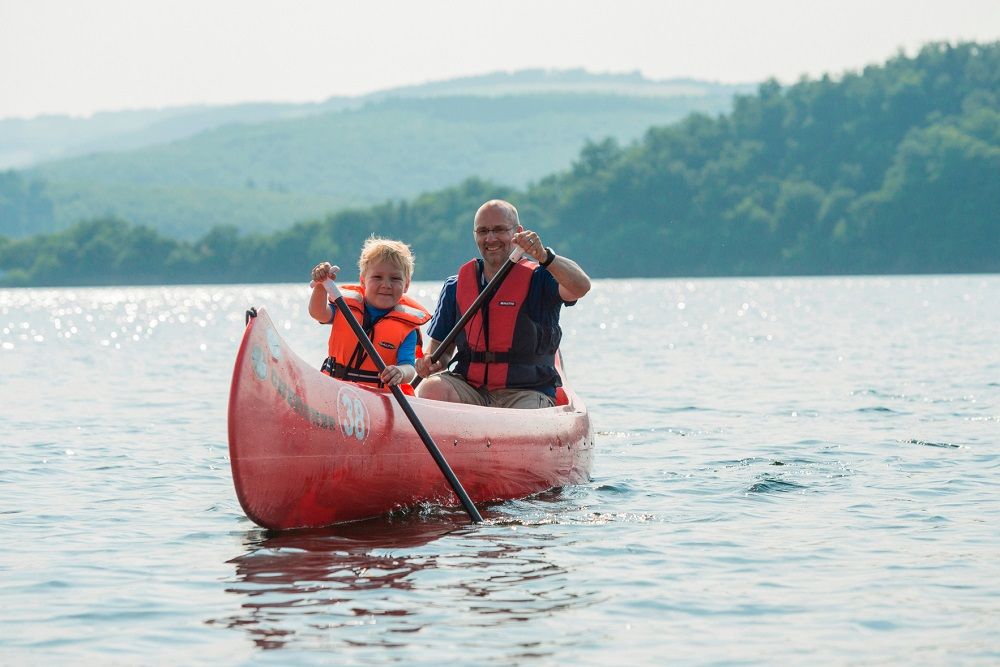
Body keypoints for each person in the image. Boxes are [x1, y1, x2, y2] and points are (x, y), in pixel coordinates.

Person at [415, 199, 591, 408]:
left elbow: (581, 286)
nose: (490, 238)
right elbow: (440, 354)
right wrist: (429, 362)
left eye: (499, 230)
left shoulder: (541, 279)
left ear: (517, 232)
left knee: (525, 413)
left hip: (526, 391)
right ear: (475, 236)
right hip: (472, 389)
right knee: (430, 389)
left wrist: (545, 256)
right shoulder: (455, 286)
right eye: (483, 231)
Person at [308, 237, 431, 391]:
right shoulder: (345, 306)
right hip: (337, 388)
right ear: (363, 281)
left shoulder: (407, 328)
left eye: (395, 279)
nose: (386, 285)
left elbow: (409, 368)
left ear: (406, 285)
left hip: (379, 398)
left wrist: (400, 371)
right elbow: (318, 313)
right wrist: (321, 285)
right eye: (377, 277)